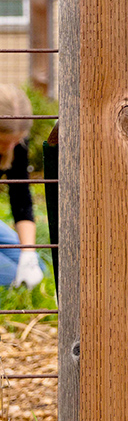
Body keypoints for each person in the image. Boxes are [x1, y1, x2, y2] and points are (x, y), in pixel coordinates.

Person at [0, 85, 42, 290]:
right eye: (3, 142)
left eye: (15, 142)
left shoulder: (17, 144)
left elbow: (20, 196)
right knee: (9, 278)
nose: (9, 149)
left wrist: (28, 254)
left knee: (36, 267)